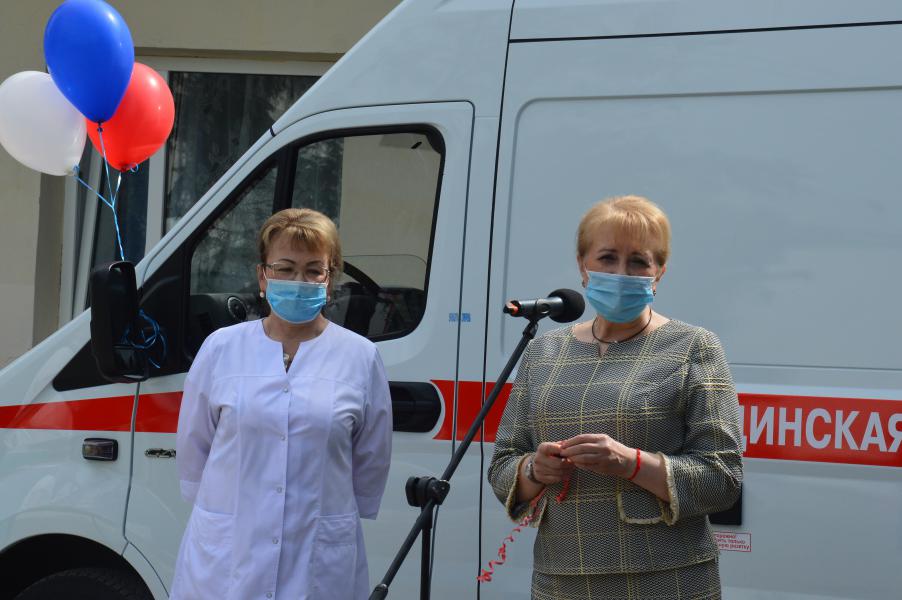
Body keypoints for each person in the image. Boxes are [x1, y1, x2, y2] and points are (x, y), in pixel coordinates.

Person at [487, 195, 742, 600]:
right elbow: (503, 467)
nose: (622, 273)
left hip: (666, 580)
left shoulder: (694, 346)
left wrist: (631, 463)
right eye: (607, 258)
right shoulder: (542, 351)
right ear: (582, 265)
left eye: (638, 261)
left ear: (659, 273)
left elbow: (722, 479)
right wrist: (535, 470)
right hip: (561, 579)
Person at [171, 208, 393, 600]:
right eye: (285, 269)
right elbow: (194, 448)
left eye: (313, 270)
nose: (298, 281)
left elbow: (370, 460)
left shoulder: (359, 356)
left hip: (317, 555)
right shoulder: (222, 348)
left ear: (330, 279)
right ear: (263, 276)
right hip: (229, 553)